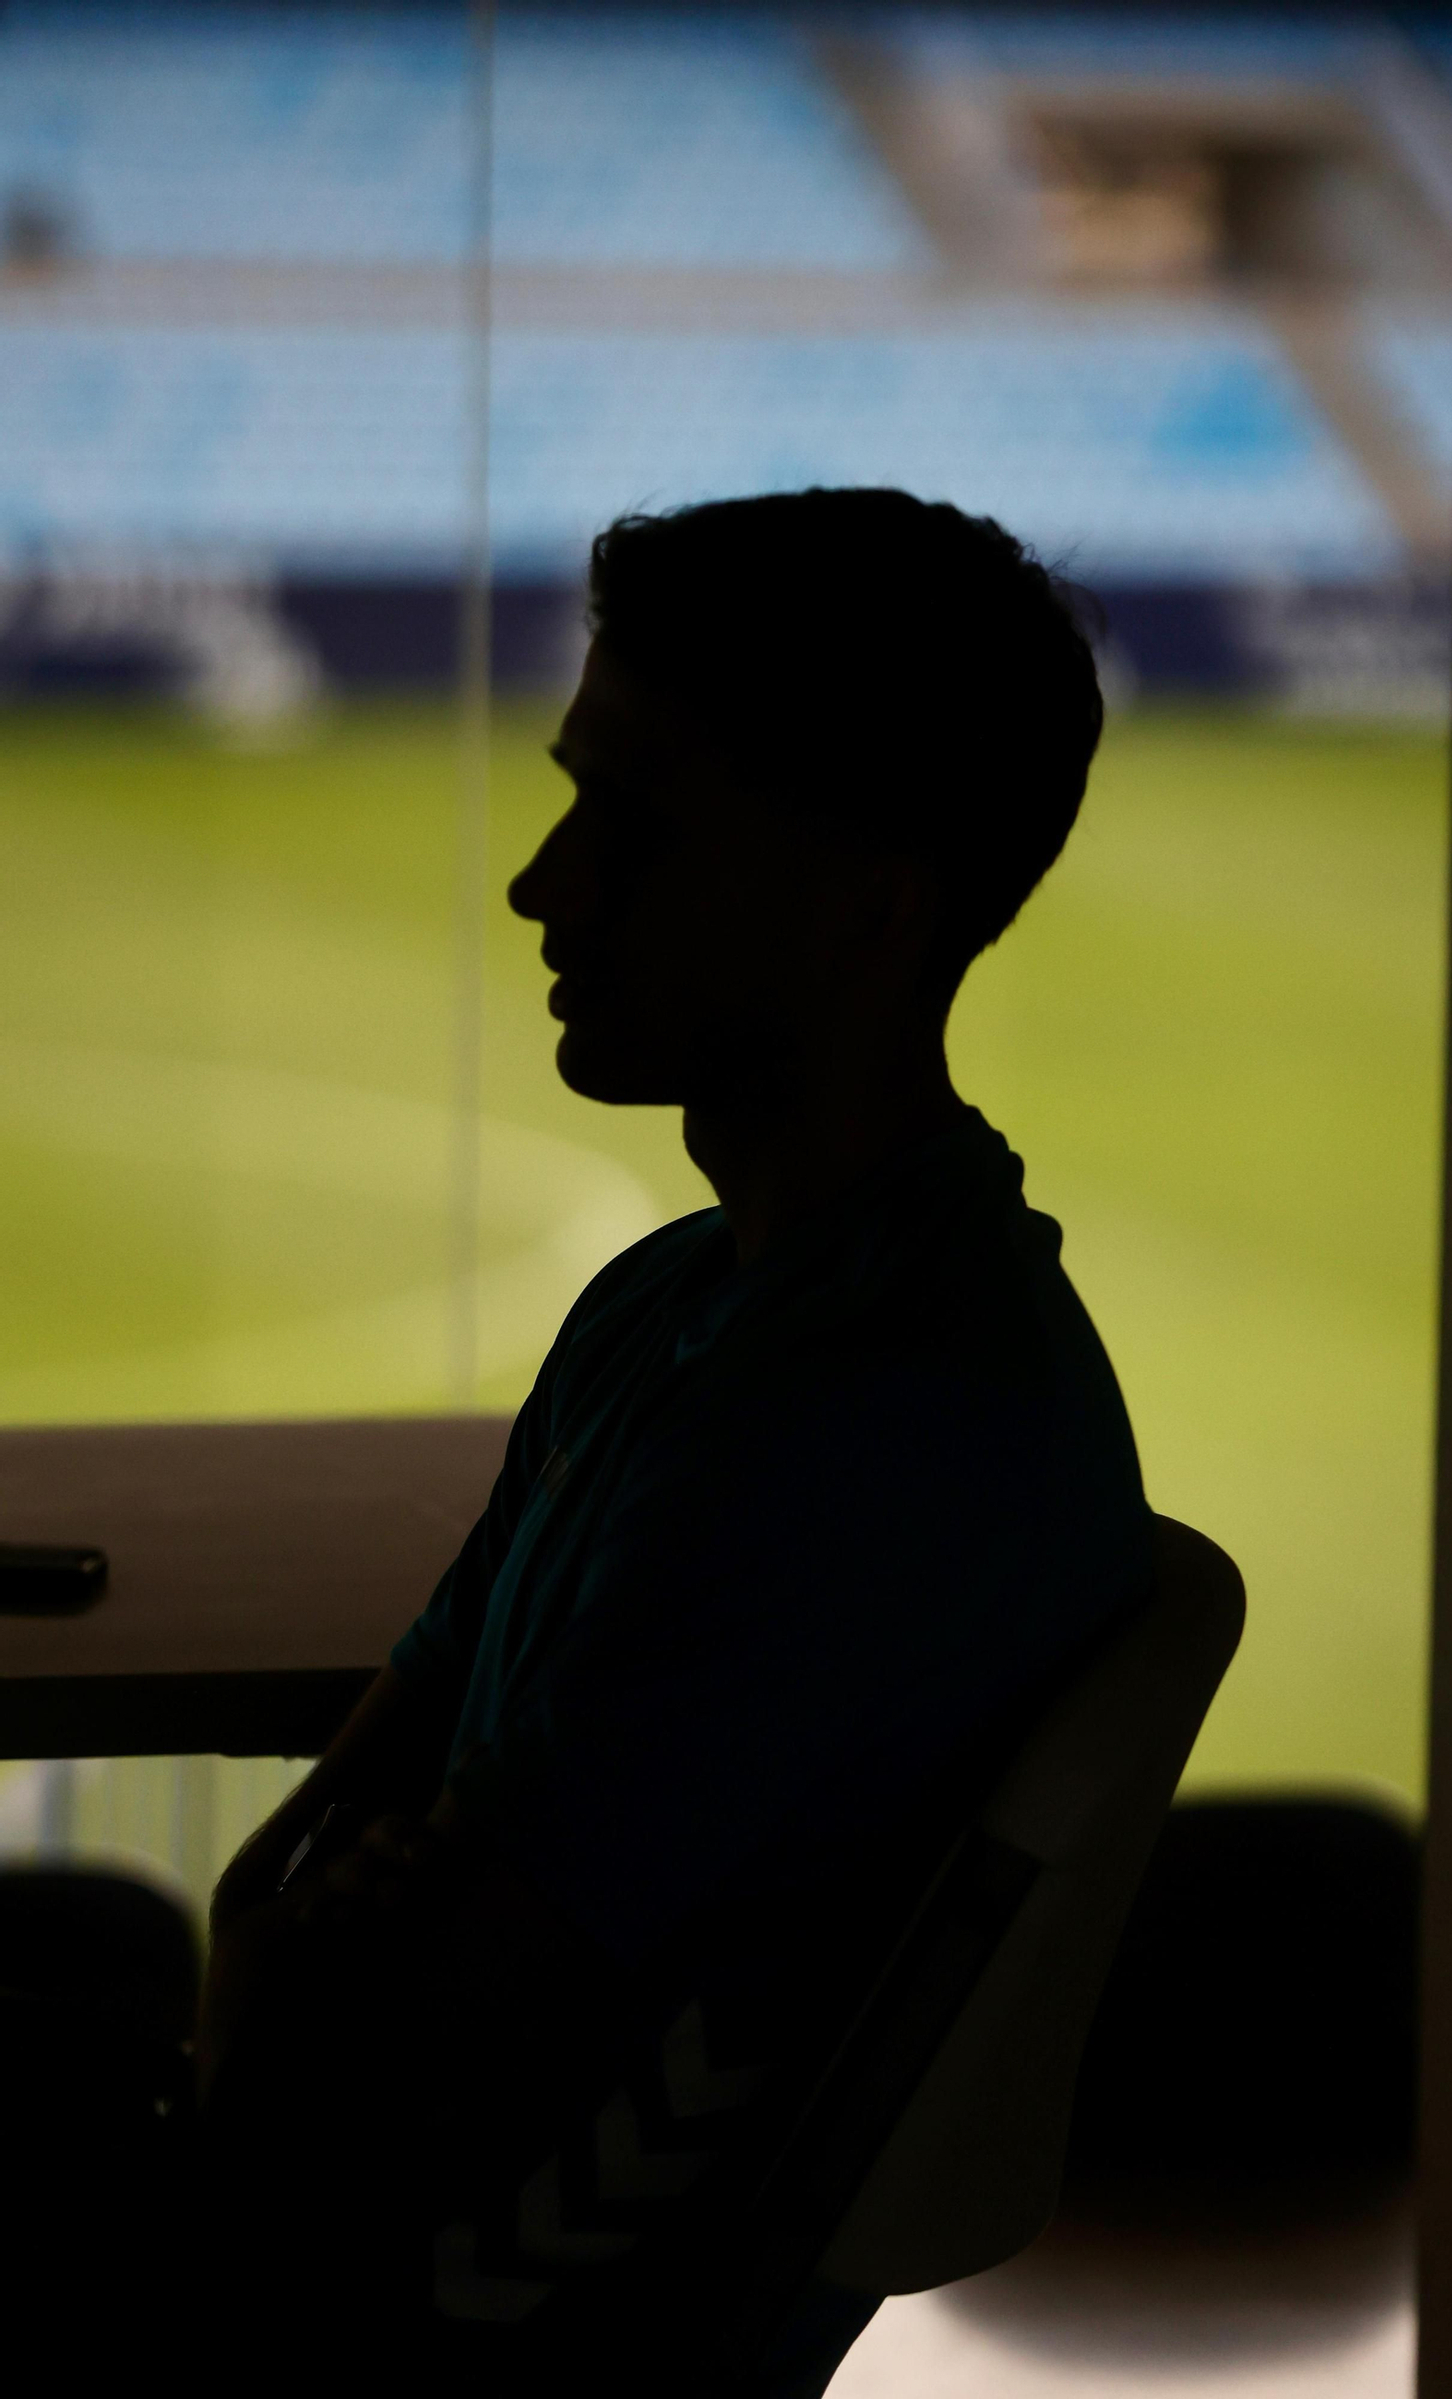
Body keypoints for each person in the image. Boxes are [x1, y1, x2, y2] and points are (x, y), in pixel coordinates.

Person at [198, 488, 1152, 2388]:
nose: (541, 885)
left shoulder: (869, 1427)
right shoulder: (684, 1304)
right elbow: (319, 1858)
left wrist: (319, 1941)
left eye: (632, 821)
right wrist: (313, 1935)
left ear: (873, 901)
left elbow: (386, 2020)